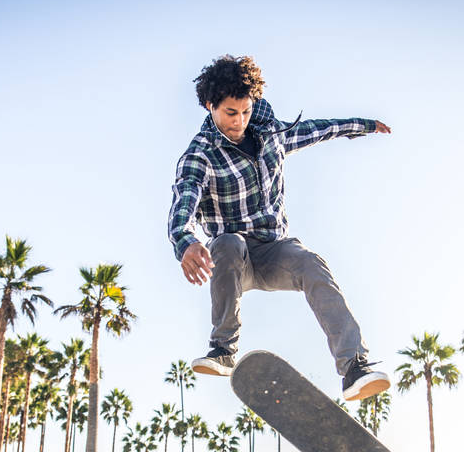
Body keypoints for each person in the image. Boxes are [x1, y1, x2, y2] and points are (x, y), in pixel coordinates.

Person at [167, 55, 391, 401]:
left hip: (274, 252)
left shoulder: (272, 134)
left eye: (245, 111)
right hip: (233, 260)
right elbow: (184, 201)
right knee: (226, 243)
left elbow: (318, 130)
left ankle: (354, 367)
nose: (239, 121)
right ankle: (223, 349)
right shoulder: (200, 154)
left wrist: (361, 125)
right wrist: (186, 241)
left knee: (312, 263)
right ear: (210, 105)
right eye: (230, 113)